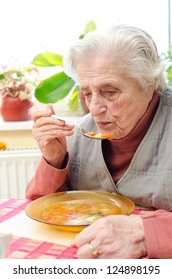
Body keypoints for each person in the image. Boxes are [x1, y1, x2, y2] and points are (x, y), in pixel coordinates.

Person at [26, 24, 172, 259]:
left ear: (149, 84)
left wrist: (146, 234)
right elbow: (43, 211)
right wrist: (55, 160)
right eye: (86, 92)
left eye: (110, 91)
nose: (94, 109)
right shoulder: (83, 131)